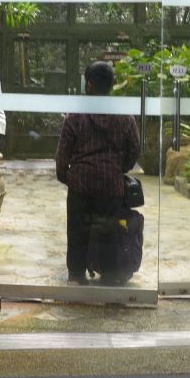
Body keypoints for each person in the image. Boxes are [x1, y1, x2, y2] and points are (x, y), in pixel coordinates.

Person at [54, 61, 140, 284]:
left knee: (77, 230)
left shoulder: (75, 115)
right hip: (111, 185)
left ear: (90, 85)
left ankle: (76, 273)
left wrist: (66, 176)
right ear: (111, 85)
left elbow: (63, 153)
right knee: (110, 230)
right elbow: (135, 149)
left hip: (81, 184)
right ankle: (110, 272)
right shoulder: (124, 116)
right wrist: (119, 169)